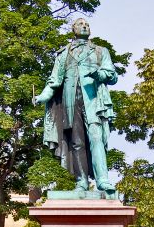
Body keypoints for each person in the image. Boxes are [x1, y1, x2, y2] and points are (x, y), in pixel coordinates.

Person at [35, 18, 118, 193]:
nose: (85, 26)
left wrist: (99, 74)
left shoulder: (101, 51)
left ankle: (103, 180)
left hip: (94, 102)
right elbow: (54, 80)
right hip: (71, 103)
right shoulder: (64, 54)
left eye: (87, 24)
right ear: (73, 29)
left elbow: (112, 75)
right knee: (77, 143)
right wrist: (42, 96)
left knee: (96, 138)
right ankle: (81, 181)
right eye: (81, 24)